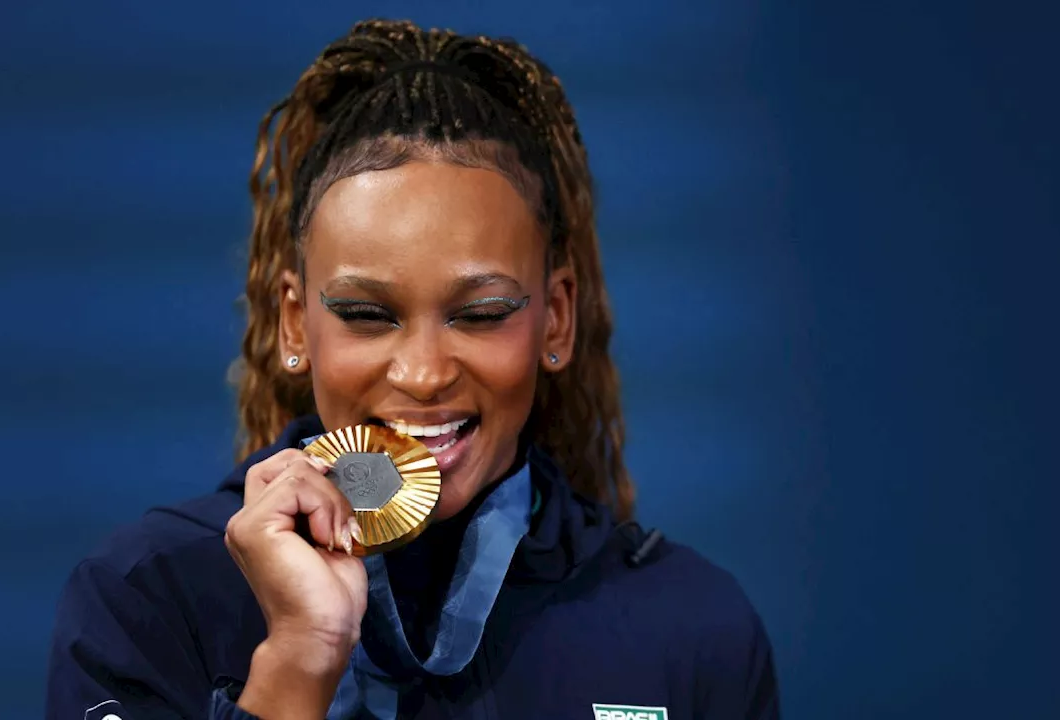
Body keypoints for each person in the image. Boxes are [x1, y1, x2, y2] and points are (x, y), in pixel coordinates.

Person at [45, 18, 779, 720]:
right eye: (367, 315)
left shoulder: (690, 629)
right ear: (295, 324)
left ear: (554, 318)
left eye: (482, 312)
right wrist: (301, 657)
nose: (425, 374)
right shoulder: (150, 598)